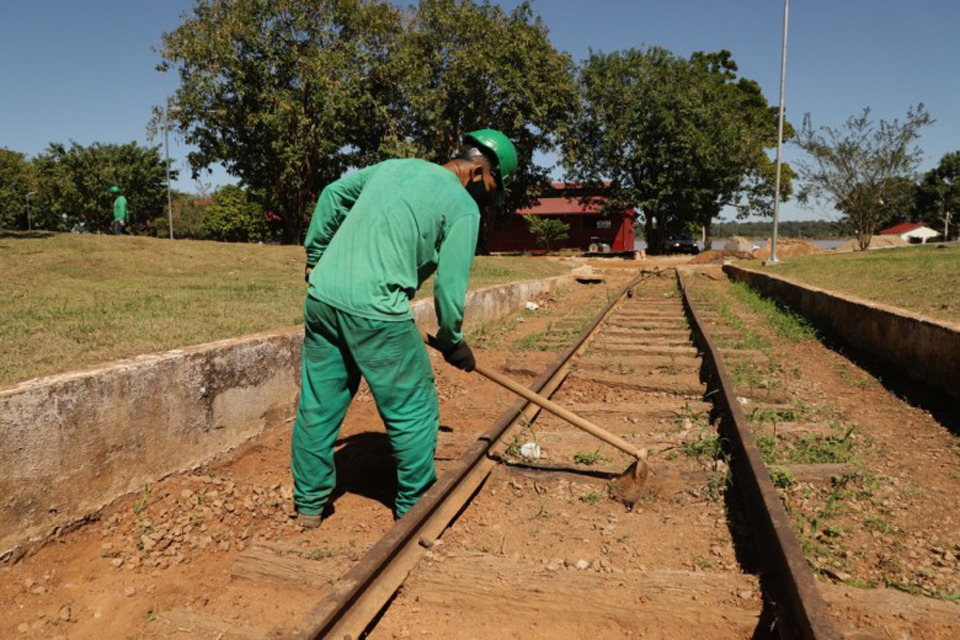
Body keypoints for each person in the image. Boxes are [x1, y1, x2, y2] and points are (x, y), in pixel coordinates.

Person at [291, 129, 518, 528]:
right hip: (377, 310)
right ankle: (414, 507)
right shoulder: (463, 207)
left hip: (323, 297)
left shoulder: (393, 167)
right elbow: (450, 287)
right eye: (492, 187)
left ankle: (309, 506)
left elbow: (331, 194)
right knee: (414, 407)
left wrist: (316, 258)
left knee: (319, 403)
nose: (487, 197)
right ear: (481, 172)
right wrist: (452, 342)